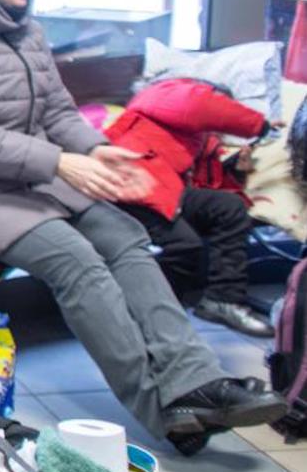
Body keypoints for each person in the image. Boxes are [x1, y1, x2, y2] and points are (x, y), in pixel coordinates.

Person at [0, 0, 285, 455]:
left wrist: (94, 148)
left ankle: (196, 379)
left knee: (123, 235)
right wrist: (61, 163)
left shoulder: (23, 28)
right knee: (76, 260)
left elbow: (57, 111)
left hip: (38, 181)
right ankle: (168, 411)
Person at [106, 77, 276, 336]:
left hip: (162, 187)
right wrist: (258, 125)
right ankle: (148, 313)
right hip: (128, 182)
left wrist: (237, 172)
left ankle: (223, 299)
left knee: (228, 208)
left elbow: (207, 190)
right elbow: (198, 104)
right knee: (185, 246)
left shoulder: (196, 139)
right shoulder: (163, 96)